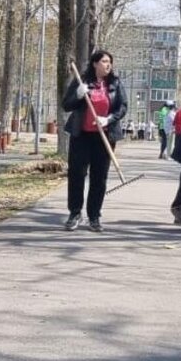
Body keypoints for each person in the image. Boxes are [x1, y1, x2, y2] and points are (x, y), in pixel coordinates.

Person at [61, 49, 127, 232]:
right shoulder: (82, 81)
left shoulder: (115, 83)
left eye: (110, 62)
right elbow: (66, 105)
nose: (108, 65)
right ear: (95, 63)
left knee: (99, 178)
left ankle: (94, 216)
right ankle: (75, 213)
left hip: (104, 136)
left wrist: (109, 119)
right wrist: (78, 95)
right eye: (105, 61)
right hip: (81, 136)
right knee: (77, 175)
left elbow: (123, 107)